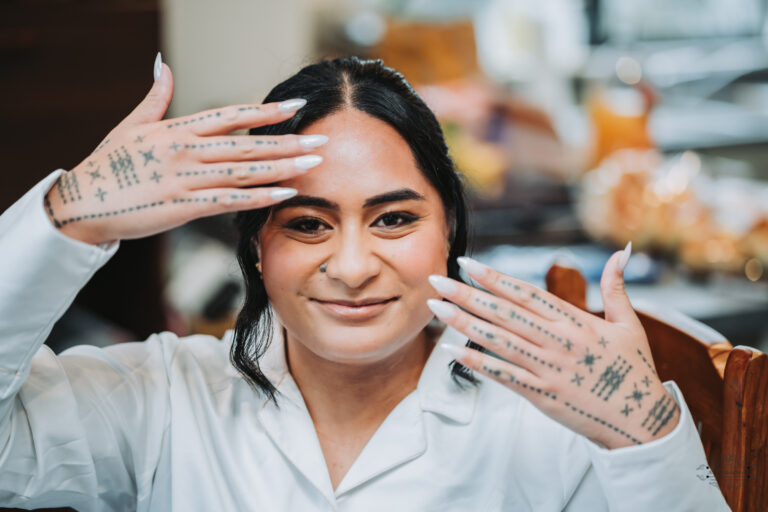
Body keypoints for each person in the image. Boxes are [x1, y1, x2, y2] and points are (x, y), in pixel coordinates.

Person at [0, 54, 729, 511]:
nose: (351, 269)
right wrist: (63, 217)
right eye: (309, 225)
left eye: (392, 220)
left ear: (449, 229)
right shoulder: (161, 400)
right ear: (257, 248)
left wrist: (652, 441)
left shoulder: (545, 417)